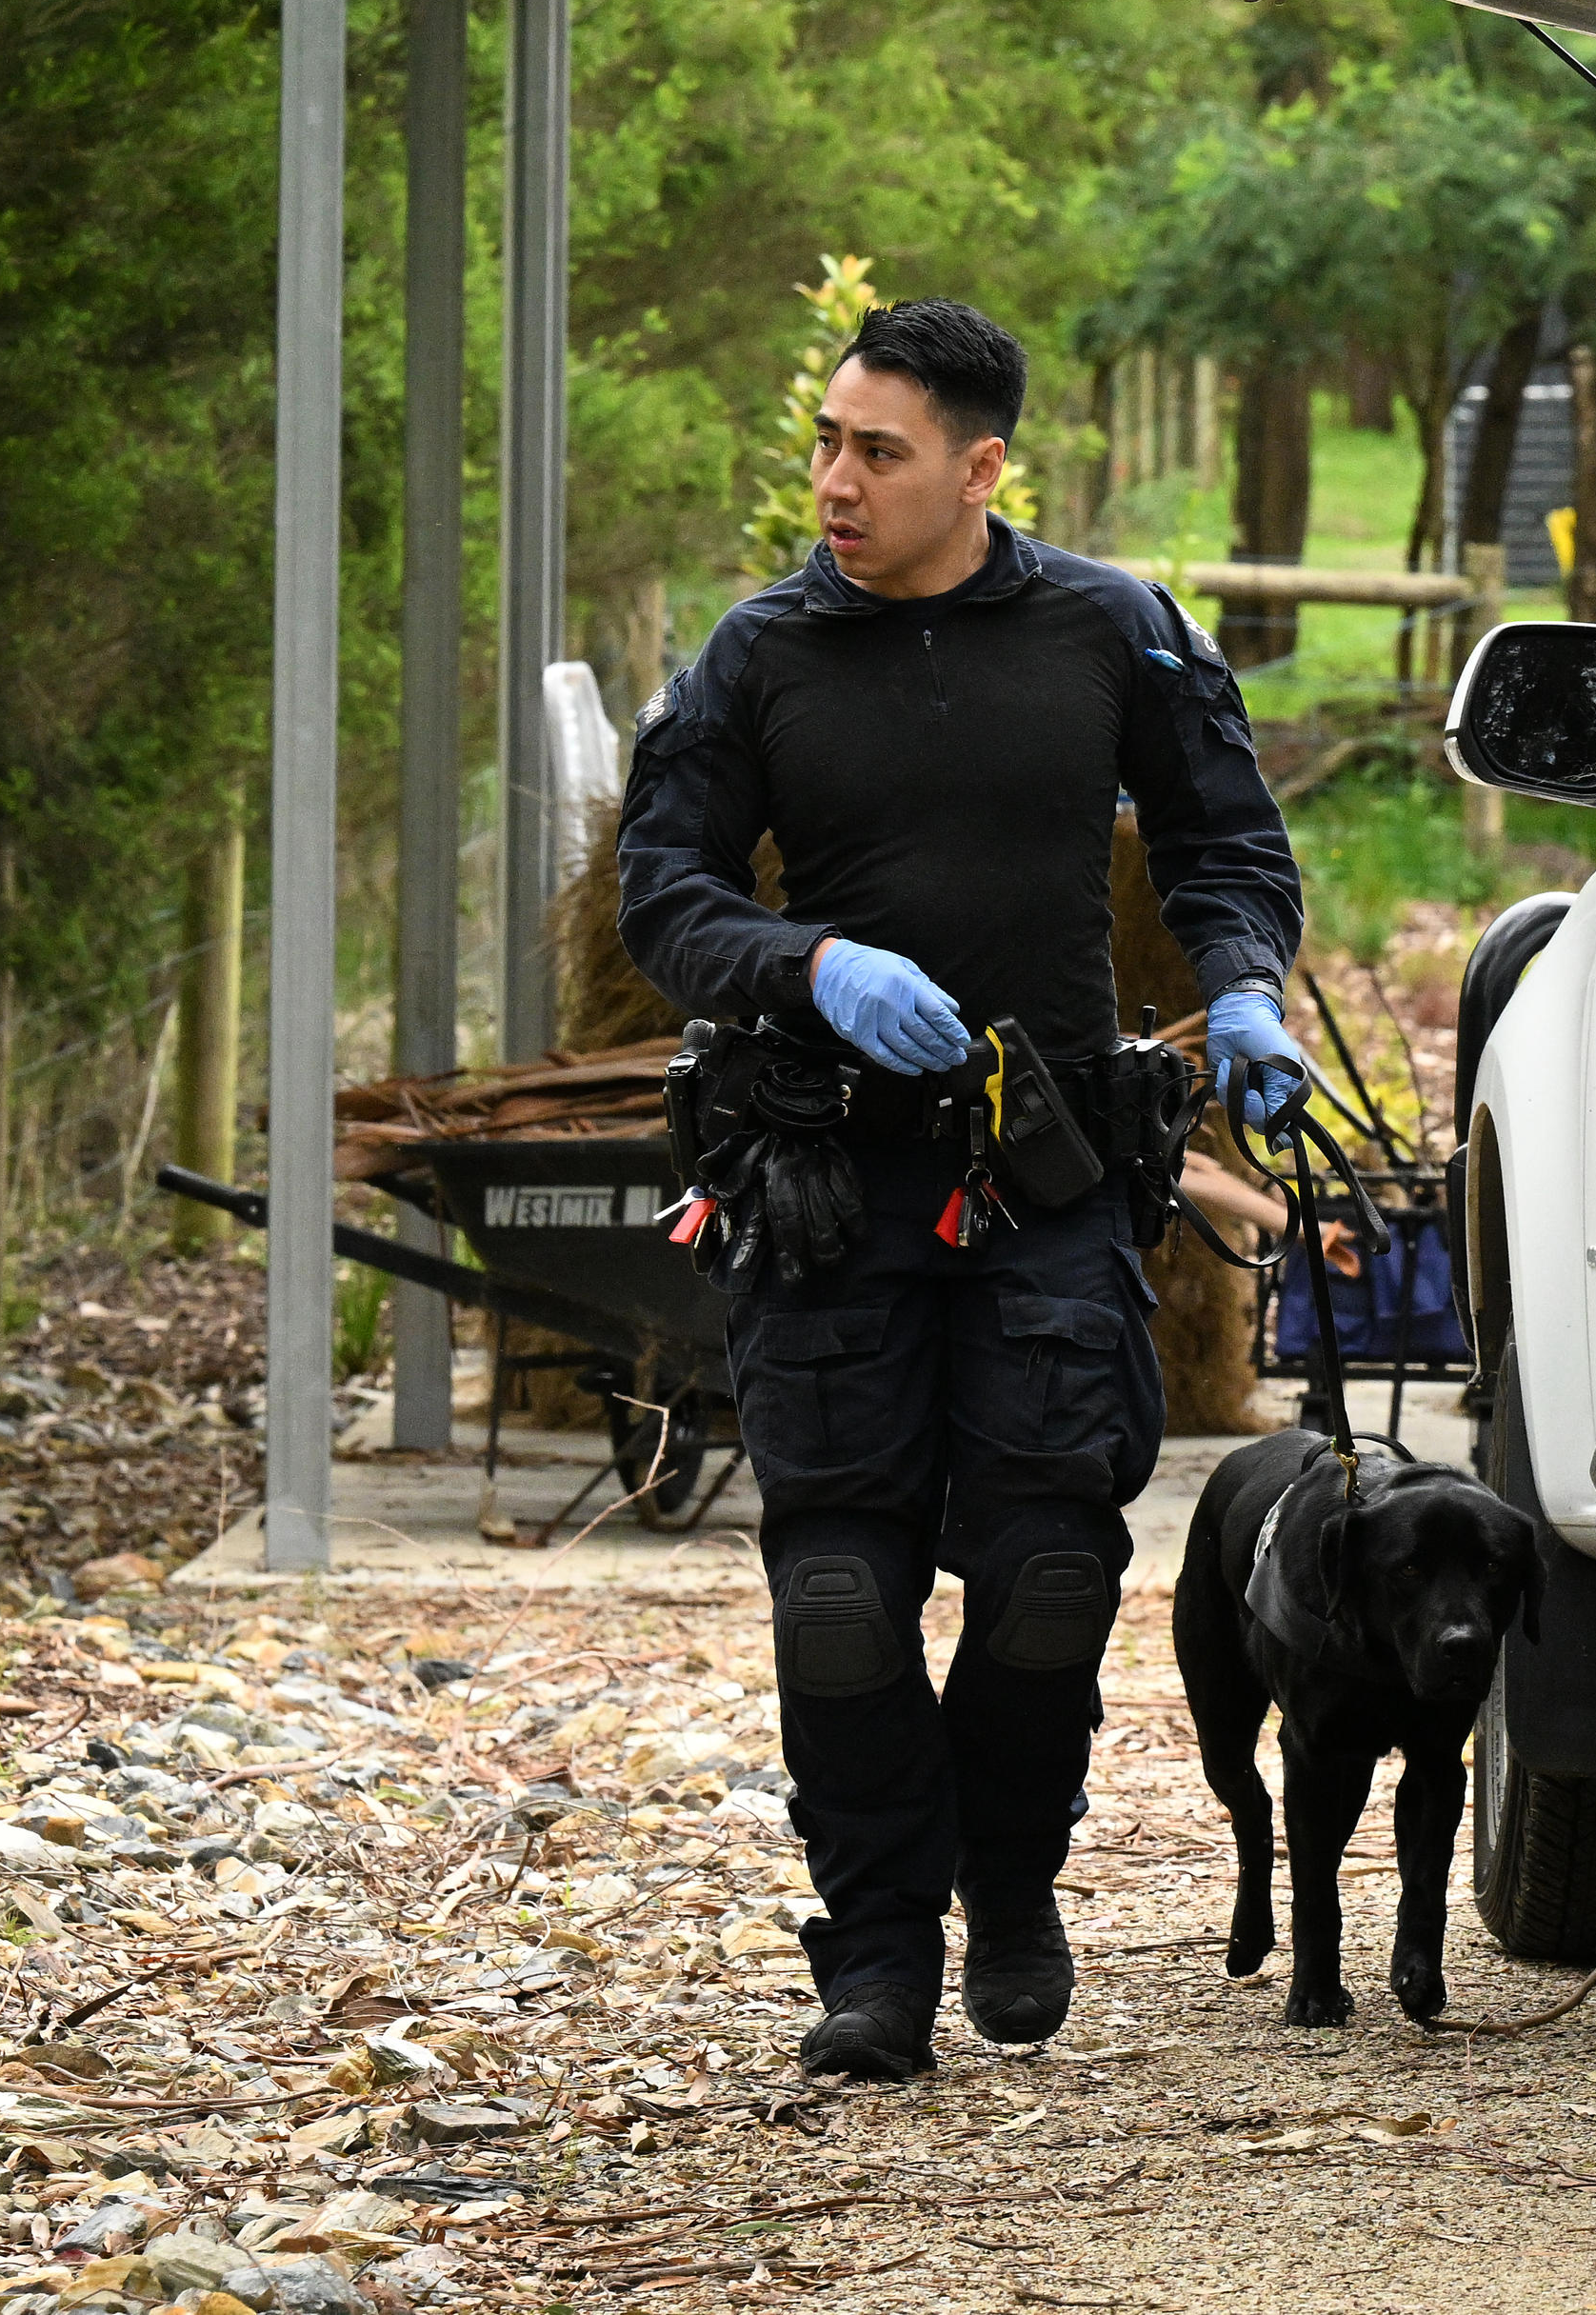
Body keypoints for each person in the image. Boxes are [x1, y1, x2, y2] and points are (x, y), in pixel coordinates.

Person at [617, 297, 1309, 2080]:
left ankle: (1010, 1879)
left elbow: (1230, 839)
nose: (836, 481)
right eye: (830, 443)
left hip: (1049, 1187)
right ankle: (874, 1950)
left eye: (880, 452)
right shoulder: (759, 654)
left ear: (980, 466)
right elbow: (664, 891)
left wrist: (1240, 982)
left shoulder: (1111, 629)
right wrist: (806, 962)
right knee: (838, 1593)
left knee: (1049, 1572)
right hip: (825, 1184)